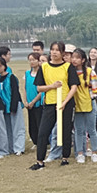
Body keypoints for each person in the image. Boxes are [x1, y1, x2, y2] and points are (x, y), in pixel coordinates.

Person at [29, 41, 78, 170]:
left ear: (62, 53)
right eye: (52, 49)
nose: (54, 52)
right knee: (43, 132)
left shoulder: (68, 67)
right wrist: (52, 86)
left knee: (65, 131)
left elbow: (74, 87)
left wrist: (65, 102)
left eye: (57, 50)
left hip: (65, 104)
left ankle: (65, 158)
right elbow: (39, 88)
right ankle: (40, 161)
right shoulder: (44, 67)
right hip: (50, 103)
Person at [71, 49, 97, 163]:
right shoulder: (70, 71)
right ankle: (80, 153)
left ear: (83, 60)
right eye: (73, 57)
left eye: (77, 57)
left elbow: (95, 88)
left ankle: (94, 152)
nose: (74, 60)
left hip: (89, 103)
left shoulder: (89, 71)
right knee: (79, 130)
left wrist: (90, 97)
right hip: (76, 104)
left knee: (91, 129)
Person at [25, 52, 44, 148]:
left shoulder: (42, 73)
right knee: (32, 124)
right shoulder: (27, 73)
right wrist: (26, 101)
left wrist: (33, 102)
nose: (32, 62)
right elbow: (25, 88)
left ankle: (42, 142)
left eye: (34, 60)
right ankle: (35, 141)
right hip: (29, 103)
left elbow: (41, 91)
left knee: (39, 123)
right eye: (30, 60)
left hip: (38, 103)